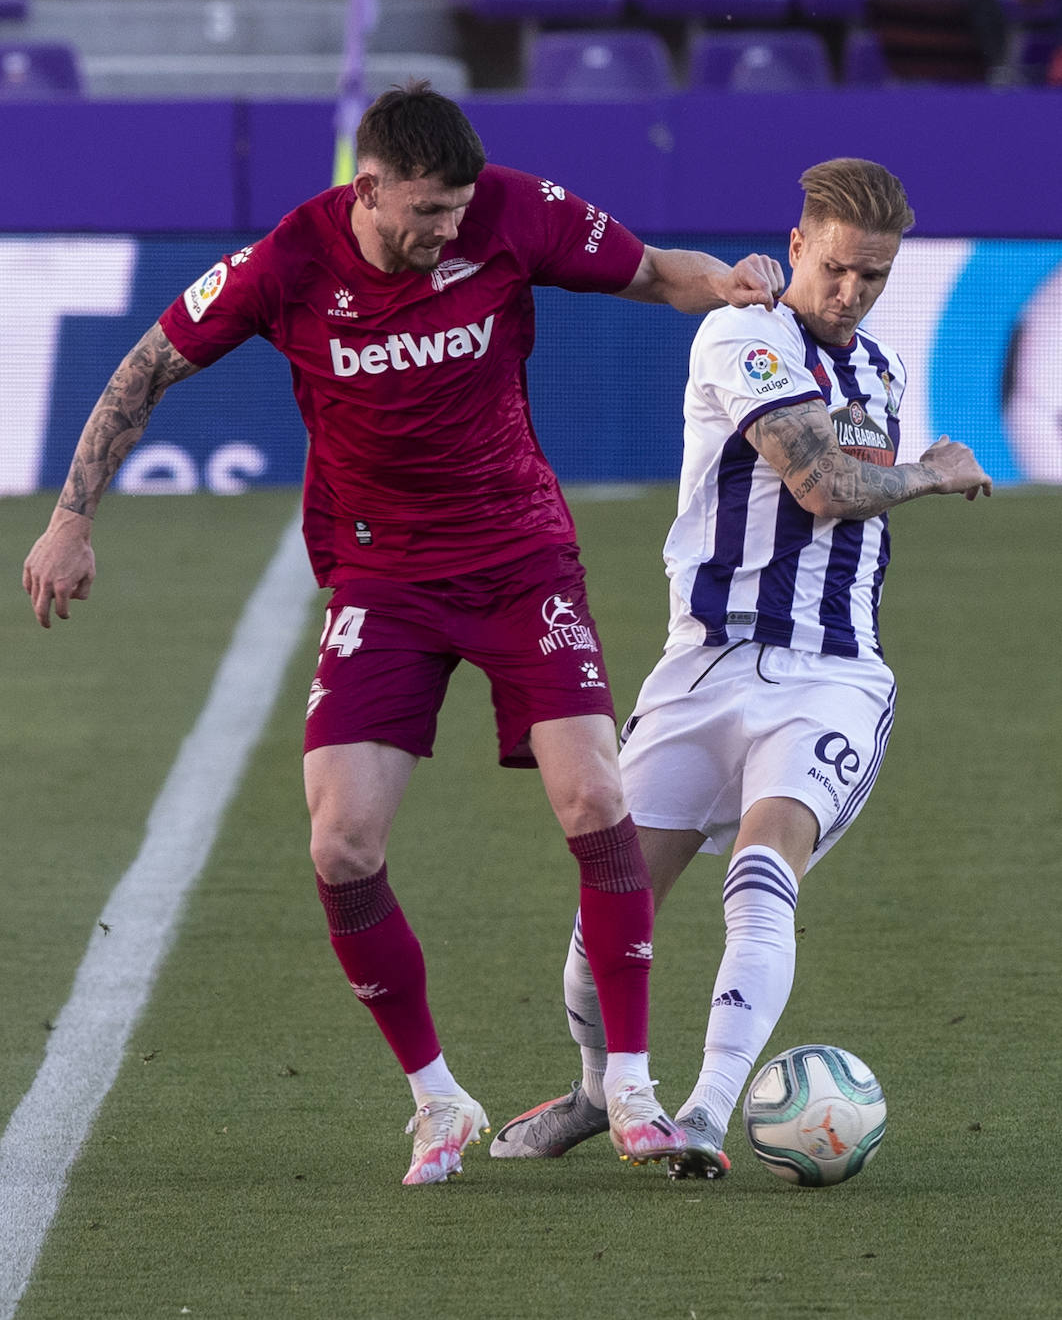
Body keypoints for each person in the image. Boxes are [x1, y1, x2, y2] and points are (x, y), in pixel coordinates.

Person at [22, 81, 786, 1187]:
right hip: (380, 573)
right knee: (342, 843)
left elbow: (658, 273)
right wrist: (70, 517)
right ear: (367, 188)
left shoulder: (514, 213)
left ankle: (627, 1082)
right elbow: (147, 367)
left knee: (596, 797)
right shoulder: (286, 262)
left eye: (458, 210)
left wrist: (735, 282)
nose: (446, 232)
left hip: (522, 554)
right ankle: (436, 1099)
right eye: (426, 212)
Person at [490, 157, 992, 1180]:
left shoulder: (882, 374)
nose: (853, 293)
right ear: (798, 246)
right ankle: (598, 1087)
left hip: (832, 675)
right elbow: (817, 484)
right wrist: (932, 474)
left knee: (765, 870)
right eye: (840, 269)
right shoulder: (743, 333)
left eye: (877, 278)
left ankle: (707, 1115)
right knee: (614, 905)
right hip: (702, 670)